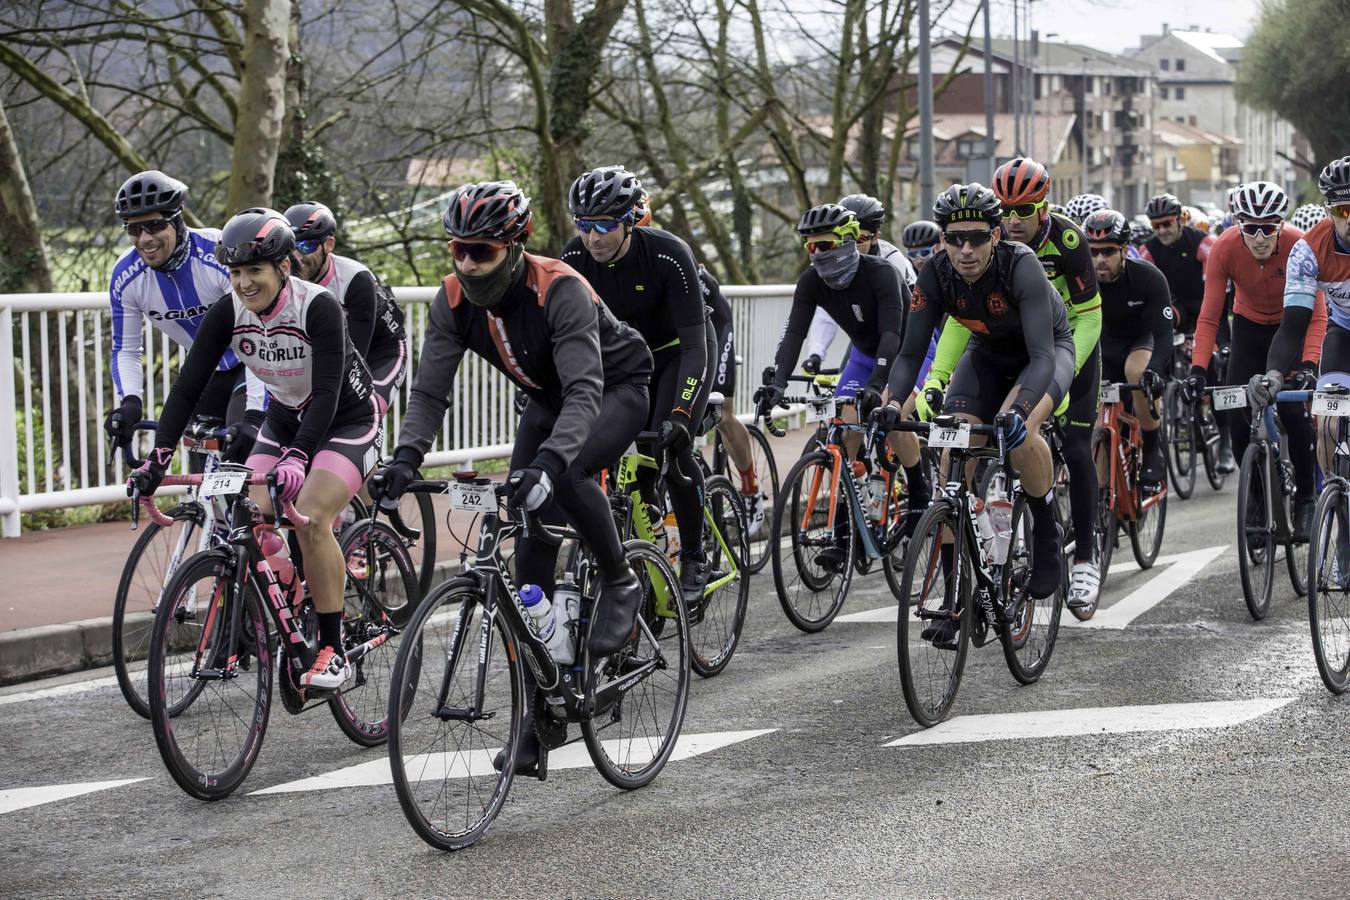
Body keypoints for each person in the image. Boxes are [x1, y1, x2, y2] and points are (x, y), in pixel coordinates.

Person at [371, 181, 651, 772]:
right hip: (547, 401)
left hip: (616, 389)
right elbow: (429, 391)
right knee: (528, 558)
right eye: (458, 250)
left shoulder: (561, 289)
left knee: (566, 471)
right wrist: (404, 459)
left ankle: (621, 577)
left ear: (517, 244)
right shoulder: (451, 301)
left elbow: (584, 391)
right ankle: (541, 714)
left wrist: (547, 465)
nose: (468, 263)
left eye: (483, 251)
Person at [128, 208, 381, 691]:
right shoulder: (229, 310)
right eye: (236, 273)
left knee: (309, 515)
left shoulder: (318, 306)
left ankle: (332, 647)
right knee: (246, 514)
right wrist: (157, 459)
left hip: (346, 419)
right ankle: (290, 608)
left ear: (283, 268)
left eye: (254, 271)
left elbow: (327, 394)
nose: (244, 284)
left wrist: (300, 456)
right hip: (286, 418)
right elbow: (186, 388)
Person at [882, 183, 1075, 638]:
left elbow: (1043, 357)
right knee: (952, 461)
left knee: (1019, 431)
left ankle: (1046, 529)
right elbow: (910, 354)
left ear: (996, 235)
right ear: (943, 240)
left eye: (976, 237)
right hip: (986, 355)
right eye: (954, 238)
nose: (965, 249)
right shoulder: (935, 272)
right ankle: (956, 603)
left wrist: (1020, 409)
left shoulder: (1021, 265)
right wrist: (892, 403)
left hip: (1043, 355)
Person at [562, 166, 712, 602]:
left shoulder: (667, 253)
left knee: (673, 447)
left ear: (630, 221)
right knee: (605, 455)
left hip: (677, 352)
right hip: (623, 362)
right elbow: (561, 337)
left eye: (606, 226)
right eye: (585, 226)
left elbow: (695, 344)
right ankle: (633, 551)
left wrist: (682, 412)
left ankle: (695, 554)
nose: (594, 238)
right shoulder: (573, 260)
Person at [755, 202, 914, 570]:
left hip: (908, 351)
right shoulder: (811, 281)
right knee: (844, 433)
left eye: (824, 245)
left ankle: (919, 490)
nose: (816, 254)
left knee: (892, 411)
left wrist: (878, 385)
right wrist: (777, 383)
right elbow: (794, 333)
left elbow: (893, 334)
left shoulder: (882, 272)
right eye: (809, 247)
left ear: (846, 242)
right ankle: (844, 536)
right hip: (863, 354)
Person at [992, 157, 1104, 611]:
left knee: (1077, 448)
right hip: (1026, 345)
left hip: (1074, 341)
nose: (1013, 221)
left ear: (1043, 207)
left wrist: (1068, 368)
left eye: (1024, 210)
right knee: (998, 433)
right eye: (1006, 210)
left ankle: (1086, 561)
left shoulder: (1069, 239)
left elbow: (1091, 313)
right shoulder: (992, 240)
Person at [1186, 181, 1323, 541]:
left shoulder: (1299, 246)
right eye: (1250, 228)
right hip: (1247, 329)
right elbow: (1210, 315)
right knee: (1236, 417)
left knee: (1295, 413)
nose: (1260, 237)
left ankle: (1307, 498)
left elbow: (1318, 316)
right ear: (1237, 224)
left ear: (1281, 225)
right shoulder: (1224, 249)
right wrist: (1198, 368)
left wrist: (1308, 365)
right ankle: (1259, 501)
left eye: (1269, 227)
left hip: (1290, 327)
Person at [631, 191, 767, 536]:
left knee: (721, 408)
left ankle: (750, 489)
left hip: (709, 326)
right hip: (661, 343)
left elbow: (697, 335)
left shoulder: (668, 256)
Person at [106, 170, 265, 460]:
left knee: (242, 460)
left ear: (177, 220)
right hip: (204, 373)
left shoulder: (219, 254)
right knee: (200, 480)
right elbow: (125, 350)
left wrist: (254, 415)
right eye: (133, 229)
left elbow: (262, 335)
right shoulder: (126, 276)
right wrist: (130, 401)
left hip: (253, 364)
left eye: (154, 225)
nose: (144, 239)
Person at [1260, 157, 1350, 489]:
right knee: (1327, 426)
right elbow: (1294, 326)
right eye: (1343, 211)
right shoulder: (1308, 251)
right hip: (1343, 336)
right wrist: (1274, 374)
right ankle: (1336, 504)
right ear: (1329, 211)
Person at [283, 202, 408, 412]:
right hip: (328, 349)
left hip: (380, 351)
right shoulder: (283, 278)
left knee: (364, 409)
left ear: (329, 244)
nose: (297, 257)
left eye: (306, 247)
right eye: (291, 247)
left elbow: (356, 356)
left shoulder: (355, 279)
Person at [1140, 192, 1230, 469]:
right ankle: (1170, 392)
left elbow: (1216, 287)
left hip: (1208, 306)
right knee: (1162, 338)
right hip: (1176, 307)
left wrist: (1207, 334)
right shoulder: (1149, 249)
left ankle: (1225, 442)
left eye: (1167, 223)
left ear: (1180, 220)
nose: (1162, 231)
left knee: (1214, 368)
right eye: (1156, 226)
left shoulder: (1202, 242)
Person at [1084, 209, 1173, 487]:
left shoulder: (1149, 277)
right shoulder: (1080, 280)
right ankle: (1101, 504)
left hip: (1139, 342)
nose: (1099, 259)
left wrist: (1155, 370)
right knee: (1099, 426)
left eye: (1108, 252)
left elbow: (1163, 333)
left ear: (1124, 250)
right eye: (1093, 251)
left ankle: (1153, 447)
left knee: (1137, 373)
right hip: (1102, 347)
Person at [800, 193, 917, 376]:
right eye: (846, 238)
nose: (851, 247)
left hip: (905, 333)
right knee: (847, 391)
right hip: (868, 334)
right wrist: (816, 354)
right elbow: (825, 312)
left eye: (860, 239)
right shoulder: (829, 259)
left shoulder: (892, 261)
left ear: (876, 237)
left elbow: (892, 324)